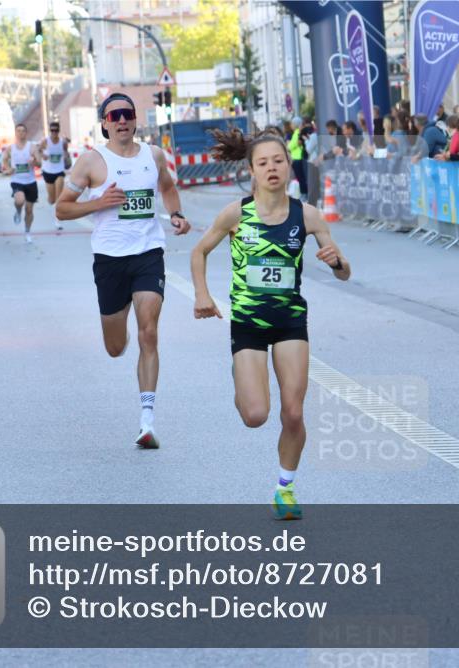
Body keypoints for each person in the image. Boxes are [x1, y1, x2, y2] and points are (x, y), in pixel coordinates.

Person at [191, 128, 351, 521]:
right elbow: (199, 251)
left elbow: (344, 272)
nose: (272, 168)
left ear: (289, 166)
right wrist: (202, 294)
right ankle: (242, 379)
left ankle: (286, 487)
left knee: (293, 413)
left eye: (278, 161)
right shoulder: (235, 213)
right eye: (263, 163)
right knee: (255, 415)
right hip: (247, 323)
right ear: (251, 171)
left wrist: (336, 263)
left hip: (290, 321)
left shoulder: (307, 216)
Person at [55, 93, 191, 450]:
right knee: (116, 347)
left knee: (149, 332)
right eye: (113, 115)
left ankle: (147, 421)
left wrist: (176, 214)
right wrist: (99, 202)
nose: (121, 121)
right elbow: (61, 209)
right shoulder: (91, 161)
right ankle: (121, 332)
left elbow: (167, 187)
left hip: (148, 253)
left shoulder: (154, 155)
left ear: (135, 119)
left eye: (127, 114)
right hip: (110, 259)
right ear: (104, 123)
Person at [1, 123, 40, 243]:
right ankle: (18, 211)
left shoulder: (32, 147)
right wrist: (8, 169)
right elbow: (4, 160)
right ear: (15, 133)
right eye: (18, 131)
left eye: (23, 131)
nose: (21, 133)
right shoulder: (10, 148)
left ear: (26, 133)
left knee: (29, 210)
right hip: (16, 180)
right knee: (19, 200)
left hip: (31, 181)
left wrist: (34, 162)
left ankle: (27, 232)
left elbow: (40, 163)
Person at [37, 121, 71, 231]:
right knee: (51, 200)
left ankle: (57, 220)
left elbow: (66, 152)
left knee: (58, 197)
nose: (54, 133)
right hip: (47, 171)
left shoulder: (63, 142)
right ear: (50, 131)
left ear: (59, 131)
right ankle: (52, 202)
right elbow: (38, 149)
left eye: (56, 130)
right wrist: (43, 155)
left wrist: (66, 157)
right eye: (52, 130)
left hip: (59, 171)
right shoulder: (45, 141)